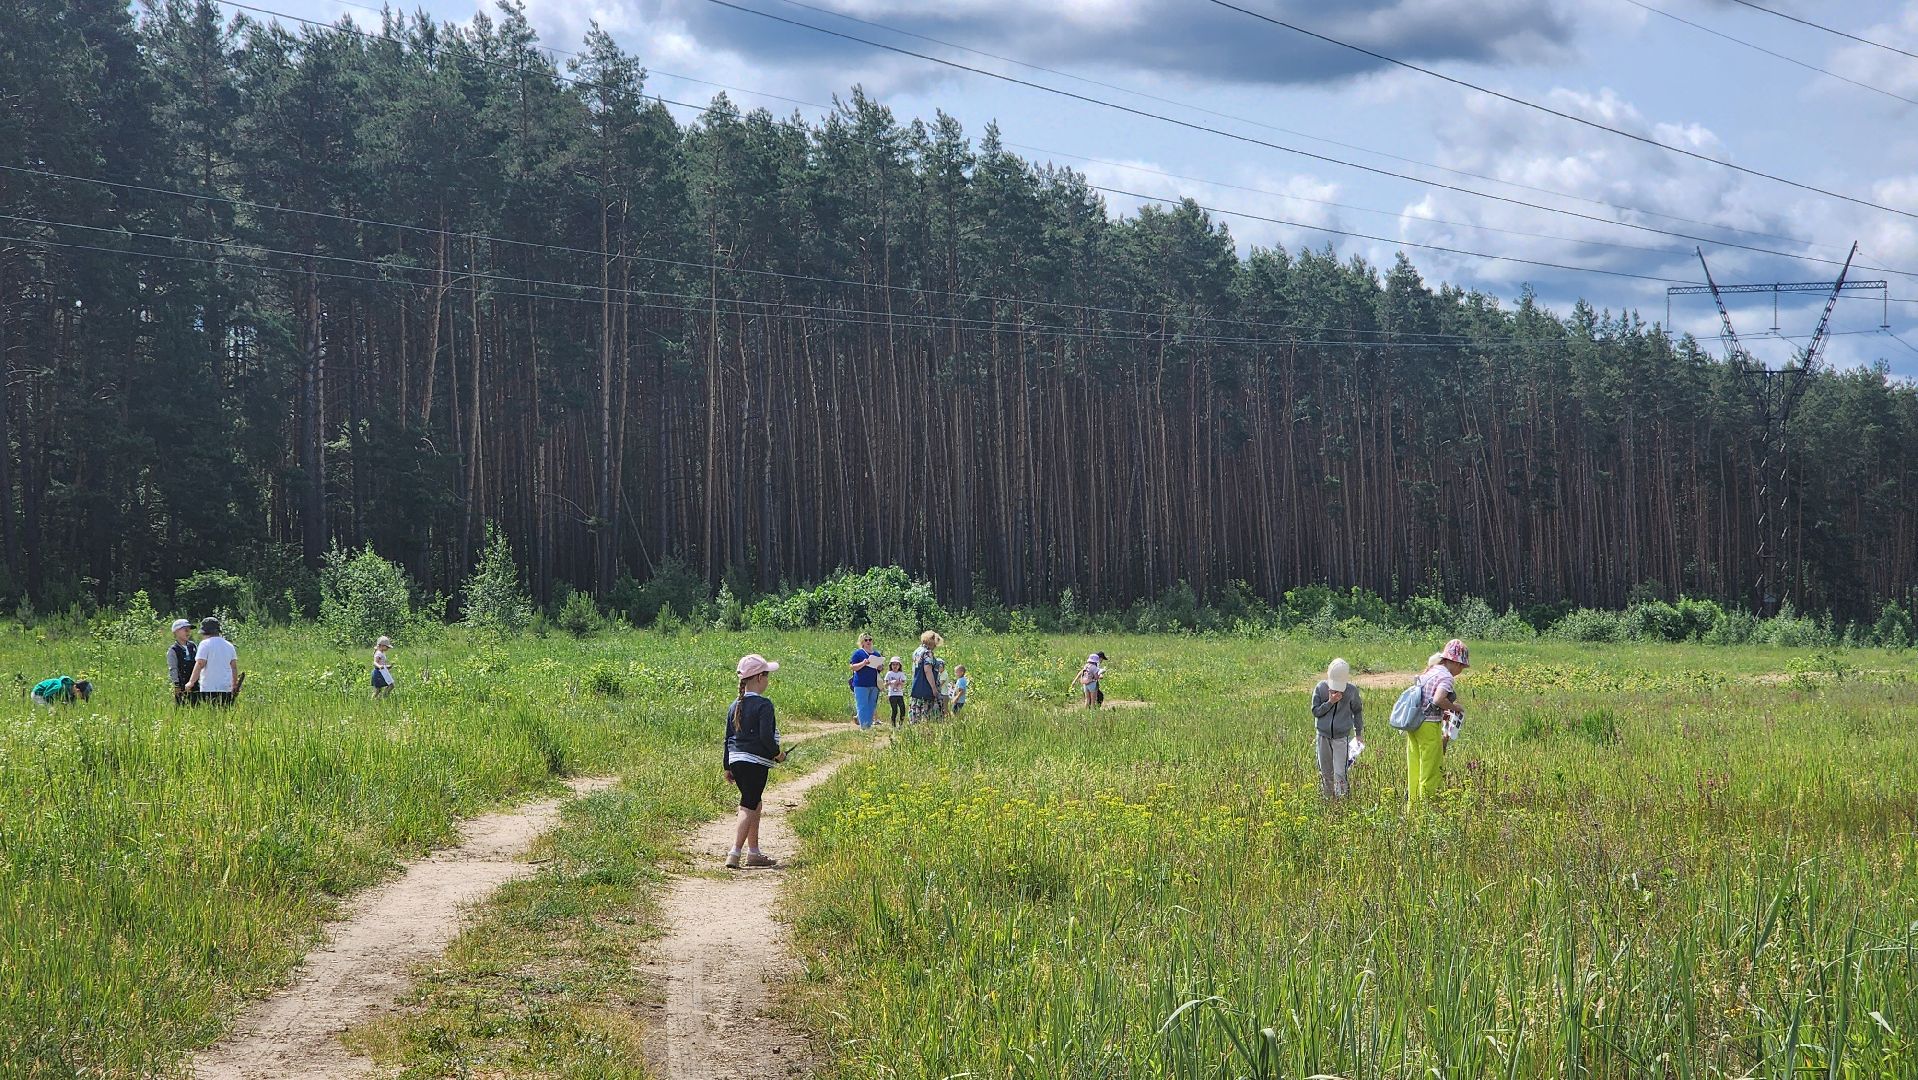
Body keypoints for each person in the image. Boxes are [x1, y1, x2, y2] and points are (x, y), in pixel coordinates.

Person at [723, 654, 786, 869]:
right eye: (767, 675)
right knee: (748, 804)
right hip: (755, 762)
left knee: (754, 801)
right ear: (759, 677)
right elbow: (766, 737)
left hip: (736, 760)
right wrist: (777, 754)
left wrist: (727, 766)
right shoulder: (764, 705)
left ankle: (754, 852)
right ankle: (734, 852)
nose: (768, 680)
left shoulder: (734, 705)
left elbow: (727, 738)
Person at [1405, 639, 1469, 812]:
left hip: (1414, 724)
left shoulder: (1431, 671)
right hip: (1429, 725)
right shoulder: (1446, 677)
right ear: (1455, 662)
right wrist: (1455, 707)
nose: (1461, 671)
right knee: (1431, 771)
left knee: (1415, 768)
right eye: (1462, 666)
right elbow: (1438, 699)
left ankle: (1413, 810)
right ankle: (1426, 813)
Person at [1310, 658, 1364, 798]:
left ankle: (1342, 801)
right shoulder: (1320, 688)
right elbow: (1316, 711)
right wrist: (1330, 702)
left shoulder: (1351, 691)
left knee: (1340, 772)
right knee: (1325, 772)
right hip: (1323, 736)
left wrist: (1358, 733)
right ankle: (1327, 799)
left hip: (1341, 737)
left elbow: (1357, 711)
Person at [184, 617, 240, 706]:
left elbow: (200, 664)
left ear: (205, 632)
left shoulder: (205, 644)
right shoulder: (229, 645)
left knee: (211, 712)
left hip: (209, 688)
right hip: (226, 688)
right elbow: (234, 667)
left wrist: (191, 682)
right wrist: (234, 684)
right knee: (224, 712)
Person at [848, 633, 882, 730]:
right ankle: (864, 727)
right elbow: (853, 667)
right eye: (866, 640)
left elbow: (879, 669)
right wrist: (863, 663)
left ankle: (868, 725)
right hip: (861, 684)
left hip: (874, 684)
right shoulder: (858, 653)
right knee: (862, 705)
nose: (868, 642)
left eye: (870, 639)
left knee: (871, 705)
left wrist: (880, 667)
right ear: (862, 642)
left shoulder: (876, 654)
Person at [909, 631, 945, 724]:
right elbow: (927, 670)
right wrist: (934, 688)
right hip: (927, 687)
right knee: (928, 712)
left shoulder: (917, 651)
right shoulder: (927, 652)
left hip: (917, 686)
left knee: (917, 708)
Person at [167, 619, 197, 704]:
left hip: (194, 683)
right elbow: (173, 668)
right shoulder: (173, 650)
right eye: (185, 630)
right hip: (181, 684)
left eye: (189, 630)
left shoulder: (193, 646)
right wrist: (176, 685)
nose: (188, 632)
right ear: (176, 632)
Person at [884, 657, 907, 727]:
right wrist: (891, 682)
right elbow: (885, 684)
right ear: (891, 665)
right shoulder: (889, 673)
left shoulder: (901, 674)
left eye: (897, 664)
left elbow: (903, 683)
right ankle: (893, 725)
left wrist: (899, 682)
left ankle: (901, 724)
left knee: (902, 709)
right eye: (893, 664)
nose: (895, 666)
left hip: (899, 694)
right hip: (892, 694)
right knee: (895, 710)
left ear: (899, 666)